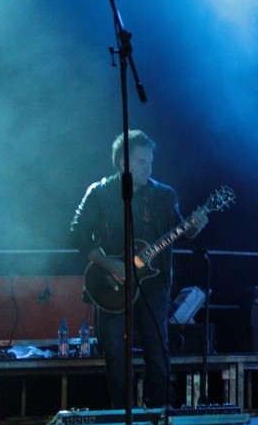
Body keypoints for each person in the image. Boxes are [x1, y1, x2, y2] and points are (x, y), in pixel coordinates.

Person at [69, 129, 208, 409]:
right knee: (116, 355)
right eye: (142, 162)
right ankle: (122, 414)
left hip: (153, 286)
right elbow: (77, 233)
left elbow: (181, 230)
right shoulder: (99, 192)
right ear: (123, 163)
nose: (148, 168)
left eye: (150, 162)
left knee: (158, 350)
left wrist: (195, 226)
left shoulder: (164, 195)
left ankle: (163, 411)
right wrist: (110, 264)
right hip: (110, 285)